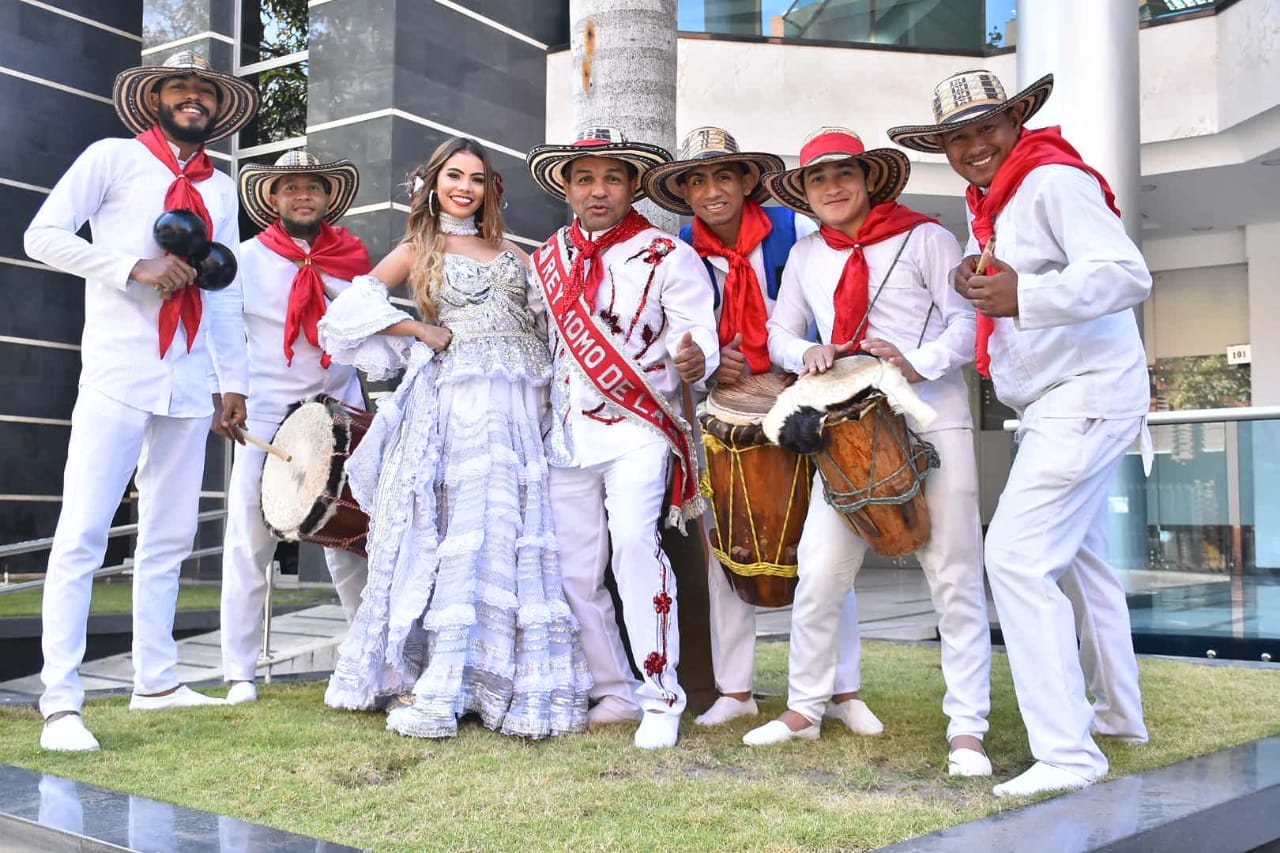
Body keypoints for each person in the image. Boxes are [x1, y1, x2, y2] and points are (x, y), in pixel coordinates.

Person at [889, 70, 1152, 797]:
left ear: (1015, 120)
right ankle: (1118, 714)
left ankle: (1068, 755)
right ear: (943, 146)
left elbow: (1128, 274)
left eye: (987, 127)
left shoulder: (1049, 180)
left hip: (1083, 394)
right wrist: (1002, 295)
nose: (975, 145)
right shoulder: (998, 199)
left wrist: (1023, 295)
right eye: (958, 136)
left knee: (1015, 557)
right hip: (1062, 397)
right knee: (1081, 561)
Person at [23, 51, 258, 752]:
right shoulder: (112, 158)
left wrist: (232, 380)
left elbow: (224, 290)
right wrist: (132, 266)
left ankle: (154, 680)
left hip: (186, 383)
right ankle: (60, 701)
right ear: (154, 97)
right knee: (83, 536)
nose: (192, 97)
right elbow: (42, 236)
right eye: (178, 87)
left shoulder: (221, 186)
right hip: (118, 373)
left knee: (169, 538)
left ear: (216, 107)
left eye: (203, 91)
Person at [740, 127, 993, 779]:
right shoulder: (805, 257)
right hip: (845, 428)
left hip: (931, 419)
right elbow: (778, 332)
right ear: (806, 191)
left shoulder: (928, 238)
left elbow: (967, 323)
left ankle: (967, 726)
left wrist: (919, 358)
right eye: (818, 179)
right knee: (821, 572)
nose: (832, 187)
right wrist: (806, 354)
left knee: (954, 572)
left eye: (843, 174)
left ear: (868, 177)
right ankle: (804, 707)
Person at [319, 137, 591, 740]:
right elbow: (346, 311)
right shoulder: (420, 246)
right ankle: (444, 683)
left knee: (513, 530)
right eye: (453, 176)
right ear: (434, 182)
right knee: (469, 528)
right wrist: (419, 328)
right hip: (462, 400)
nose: (464, 187)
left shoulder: (515, 252)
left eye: (475, 177)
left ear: (490, 187)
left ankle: (508, 680)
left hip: (524, 404)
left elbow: (556, 321)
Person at [642, 127, 875, 733]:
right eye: (697, 180)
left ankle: (842, 689)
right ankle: (735, 688)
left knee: (829, 546)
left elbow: (827, 316)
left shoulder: (795, 234)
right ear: (684, 192)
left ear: (749, 180)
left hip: (805, 402)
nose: (711, 191)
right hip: (725, 412)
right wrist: (715, 353)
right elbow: (673, 336)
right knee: (729, 547)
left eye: (724, 176)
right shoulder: (675, 253)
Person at [524, 127, 721, 749]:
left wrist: (697, 358)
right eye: (585, 178)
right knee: (575, 569)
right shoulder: (546, 260)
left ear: (633, 184)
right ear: (567, 187)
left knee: (636, 545)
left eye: (612, 178)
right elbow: (536, 341)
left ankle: (662, 697)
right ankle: (612, 688)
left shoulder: (668, 254)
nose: (598, 190)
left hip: (639, 428)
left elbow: (698, 332)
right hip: (565, 436)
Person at [217, 150, 372, 705]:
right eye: (290, 187)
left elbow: (370, 331)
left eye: (313, 186)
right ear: (273, 199)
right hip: (266, 415)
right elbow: (222, 329)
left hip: (340, 411)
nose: (302, 194)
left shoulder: (352, 258)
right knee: (250, 540)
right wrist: (226, 392)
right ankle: (239, 672)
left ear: (328, 197)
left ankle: (365, 655)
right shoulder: (245, 259)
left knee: (352, 538)